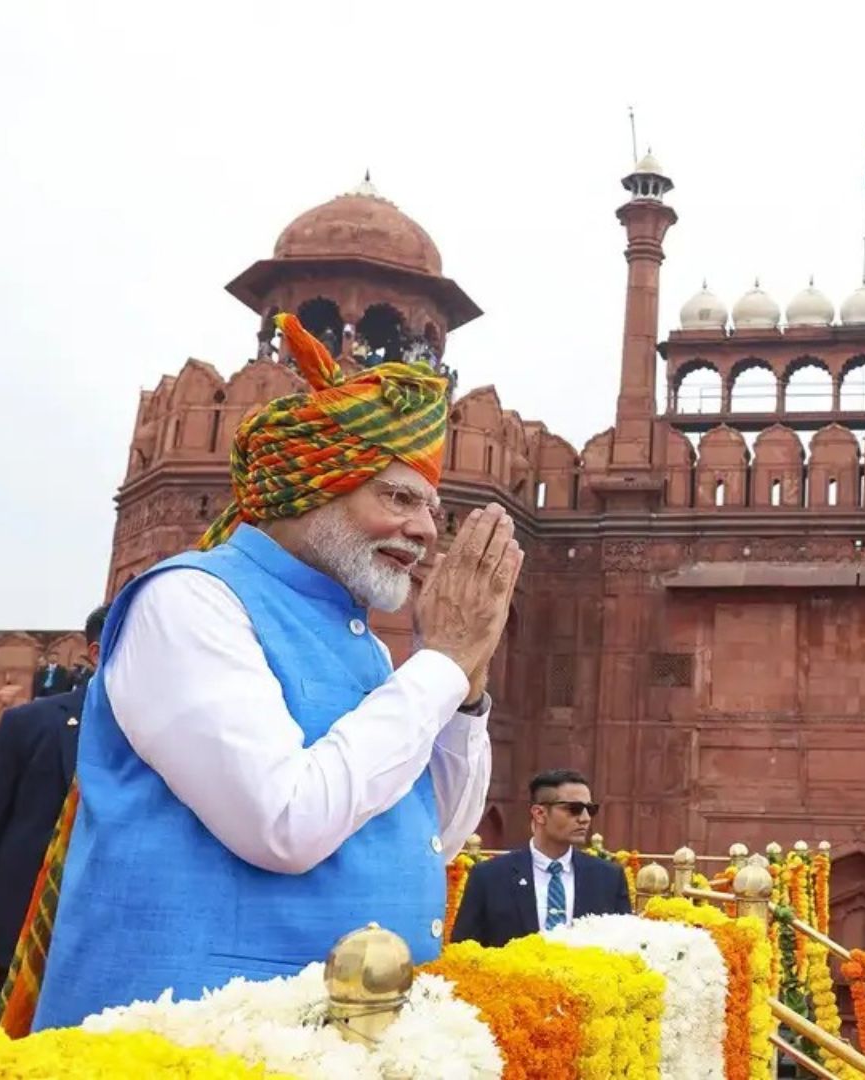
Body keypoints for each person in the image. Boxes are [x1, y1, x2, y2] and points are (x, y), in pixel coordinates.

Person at [26, 312, 518, 1031]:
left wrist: (464, 691)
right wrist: (439, 662)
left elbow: (431, 826)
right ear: (314, 482)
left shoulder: (362, 646)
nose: (425, 530)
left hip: (340, 1037)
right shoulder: (191, 600)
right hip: (189, 1042)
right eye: (400, 497)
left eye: (433, 509)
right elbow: (283, 823)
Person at [0, 604, 108, 1017]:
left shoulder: (161, 732)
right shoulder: (32, 724)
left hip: (115, 938)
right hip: (28, 938)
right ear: (97, 652)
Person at [451, 769, 631, 946]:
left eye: (590, 809)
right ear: (539, 814)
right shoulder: (489, 876)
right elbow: (464, 949)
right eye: (574, 809)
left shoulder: (608, 878)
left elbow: (626, 948)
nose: (585, 818)